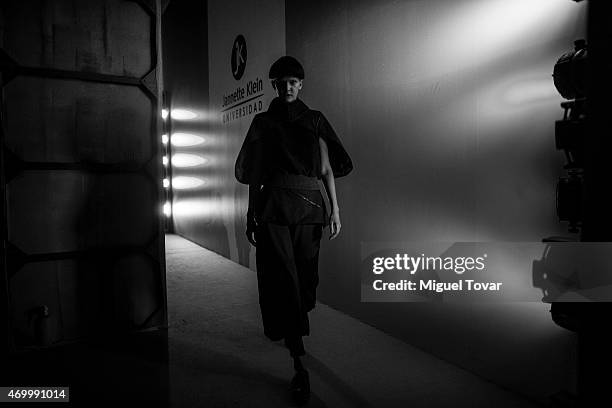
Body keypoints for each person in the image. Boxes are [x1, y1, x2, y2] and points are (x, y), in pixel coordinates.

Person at [235, 55, 353, 403]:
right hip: (272, 205)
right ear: (274, 85)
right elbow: (254, 174)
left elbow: (327, 170)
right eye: (282, 82)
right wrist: (249, 214)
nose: (288, 86)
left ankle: (293, 322)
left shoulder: (314, 120)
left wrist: (336, 210)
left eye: (293, 82)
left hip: (310, 207)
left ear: (301, 85)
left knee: (304, 278)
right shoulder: (262, 123)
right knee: (282, 275)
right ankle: (298, 357)